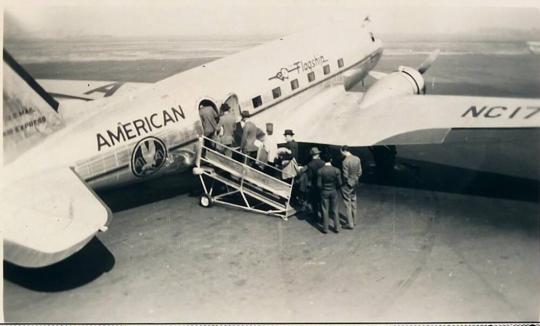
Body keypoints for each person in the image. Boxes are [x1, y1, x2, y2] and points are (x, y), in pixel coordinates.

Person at [317, 153, 342, 234]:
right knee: (335, 209)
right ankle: (337, 227)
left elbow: (319, 184)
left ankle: (325, 228)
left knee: (325, 209)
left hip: (324, 191)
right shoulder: (336, 170)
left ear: (323, 160)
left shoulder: (320, 171)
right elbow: (340, 183)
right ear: (331, 160)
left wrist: (323, 189)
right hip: (333, 191)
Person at [340, 145, 362, 229]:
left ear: (343, 151)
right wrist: (355, 179)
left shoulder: (345, 161)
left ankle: (350, 224)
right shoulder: (357, 158)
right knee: (353, 201)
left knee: (347, 204)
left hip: (348, 184)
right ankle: (354, 220)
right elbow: (360, 172)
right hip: (355, 182)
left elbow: (345, 176)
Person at [305, 147, 325, 217]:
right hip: (323, 185)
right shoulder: (323, 163)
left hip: (314, 185)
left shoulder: (310, 164)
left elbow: (310, 176)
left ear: (312, 155)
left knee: (314, 202)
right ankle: (323, 217)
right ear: (318, 154)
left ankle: (316, 216)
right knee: (322, 202)